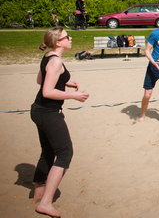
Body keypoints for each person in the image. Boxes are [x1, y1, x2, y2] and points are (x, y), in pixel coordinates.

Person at [31, 27, 89, 217]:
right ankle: (45, 203)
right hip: (48, 112)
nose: (70, 38)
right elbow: (47, 91)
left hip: (38, 110)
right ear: (58, 42)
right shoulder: (55, 61)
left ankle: (38, 194)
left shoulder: (48, 56)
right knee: (65, 153)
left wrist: (64, 82)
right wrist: (73, 96)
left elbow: (40, 80)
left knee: (47, 151)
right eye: (67, 36)